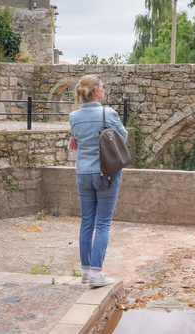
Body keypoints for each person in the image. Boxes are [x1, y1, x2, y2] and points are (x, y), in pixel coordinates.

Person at [69, 74, 128, 287]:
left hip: (83, 174)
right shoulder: (108, 113)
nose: (104, 89)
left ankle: (86, 272)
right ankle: (96, 274)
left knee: (86, 222)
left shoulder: (73, 117)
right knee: (102, 223)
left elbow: (75, 141)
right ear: (95, 91)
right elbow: (123, 137)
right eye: (103, 86)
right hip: (106, 174)